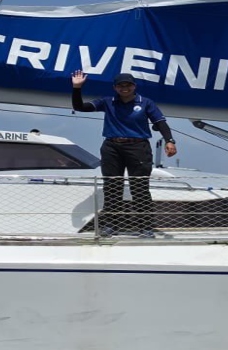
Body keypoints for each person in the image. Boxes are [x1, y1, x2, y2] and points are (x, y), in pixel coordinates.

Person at [71, 71, 177, 235]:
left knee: (139, 187)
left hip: (138, 147)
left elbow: (160, 122)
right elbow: (79, 107)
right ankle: (112, 226)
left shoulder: (146, 103)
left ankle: (145, 227)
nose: (124, 88)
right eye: (121, 85)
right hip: (112, 147)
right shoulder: (108, 102)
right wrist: (77, 88)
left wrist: (170, 140)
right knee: (112, 187)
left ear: (134, 86)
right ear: (115, 87)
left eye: (128, 85)